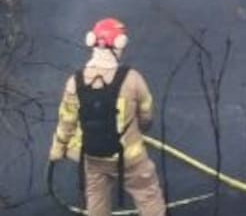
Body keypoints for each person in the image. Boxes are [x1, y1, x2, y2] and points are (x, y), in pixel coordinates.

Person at [48, 18, 166, 216]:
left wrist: (58, 149)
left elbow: (66, 121)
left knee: (96, 200)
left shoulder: (74, 82)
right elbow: (146, 114)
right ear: (120, 43)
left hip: (92, 156)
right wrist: (141, 127)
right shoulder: (132, 79)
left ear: (92, 42)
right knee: (148, 195)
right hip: (130, 158)